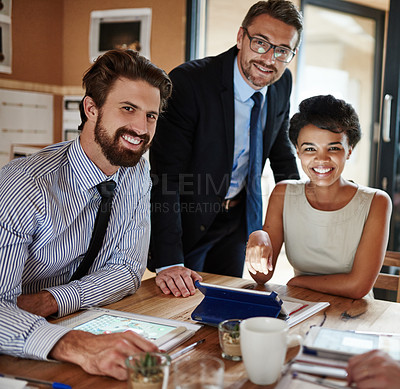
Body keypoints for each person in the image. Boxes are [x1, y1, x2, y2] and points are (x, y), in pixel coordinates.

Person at [0, 49, 172, 380]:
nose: (141, 127)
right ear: (91, 108)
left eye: (151, 115)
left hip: (71, 321)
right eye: (128, 109)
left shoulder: (134, 172)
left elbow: (127, 270)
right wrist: (75, 344)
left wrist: (51, 300)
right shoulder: (23, 186)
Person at [149, 0, 303, 298]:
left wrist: (303, 208)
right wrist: (169, 260)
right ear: (240, 37)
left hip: (237, 222)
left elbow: (280, 151)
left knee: (222, 306)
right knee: (182, 307)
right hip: (190, 221)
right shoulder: (189, 82)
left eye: (282, 50)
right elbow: (165, 176)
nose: (269, 59)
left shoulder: (282, 84)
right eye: (261, 43)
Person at [245, 94, 392, 299]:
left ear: (349, 150)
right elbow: (262, 276)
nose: (321, 159)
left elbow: (358, 287)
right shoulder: (283, 193)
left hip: (354, 316)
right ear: (297, 151)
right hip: (300, 308)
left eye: (333, 148)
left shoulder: (376, 201)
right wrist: (257, 236)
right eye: (309, 149)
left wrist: (298, 282)